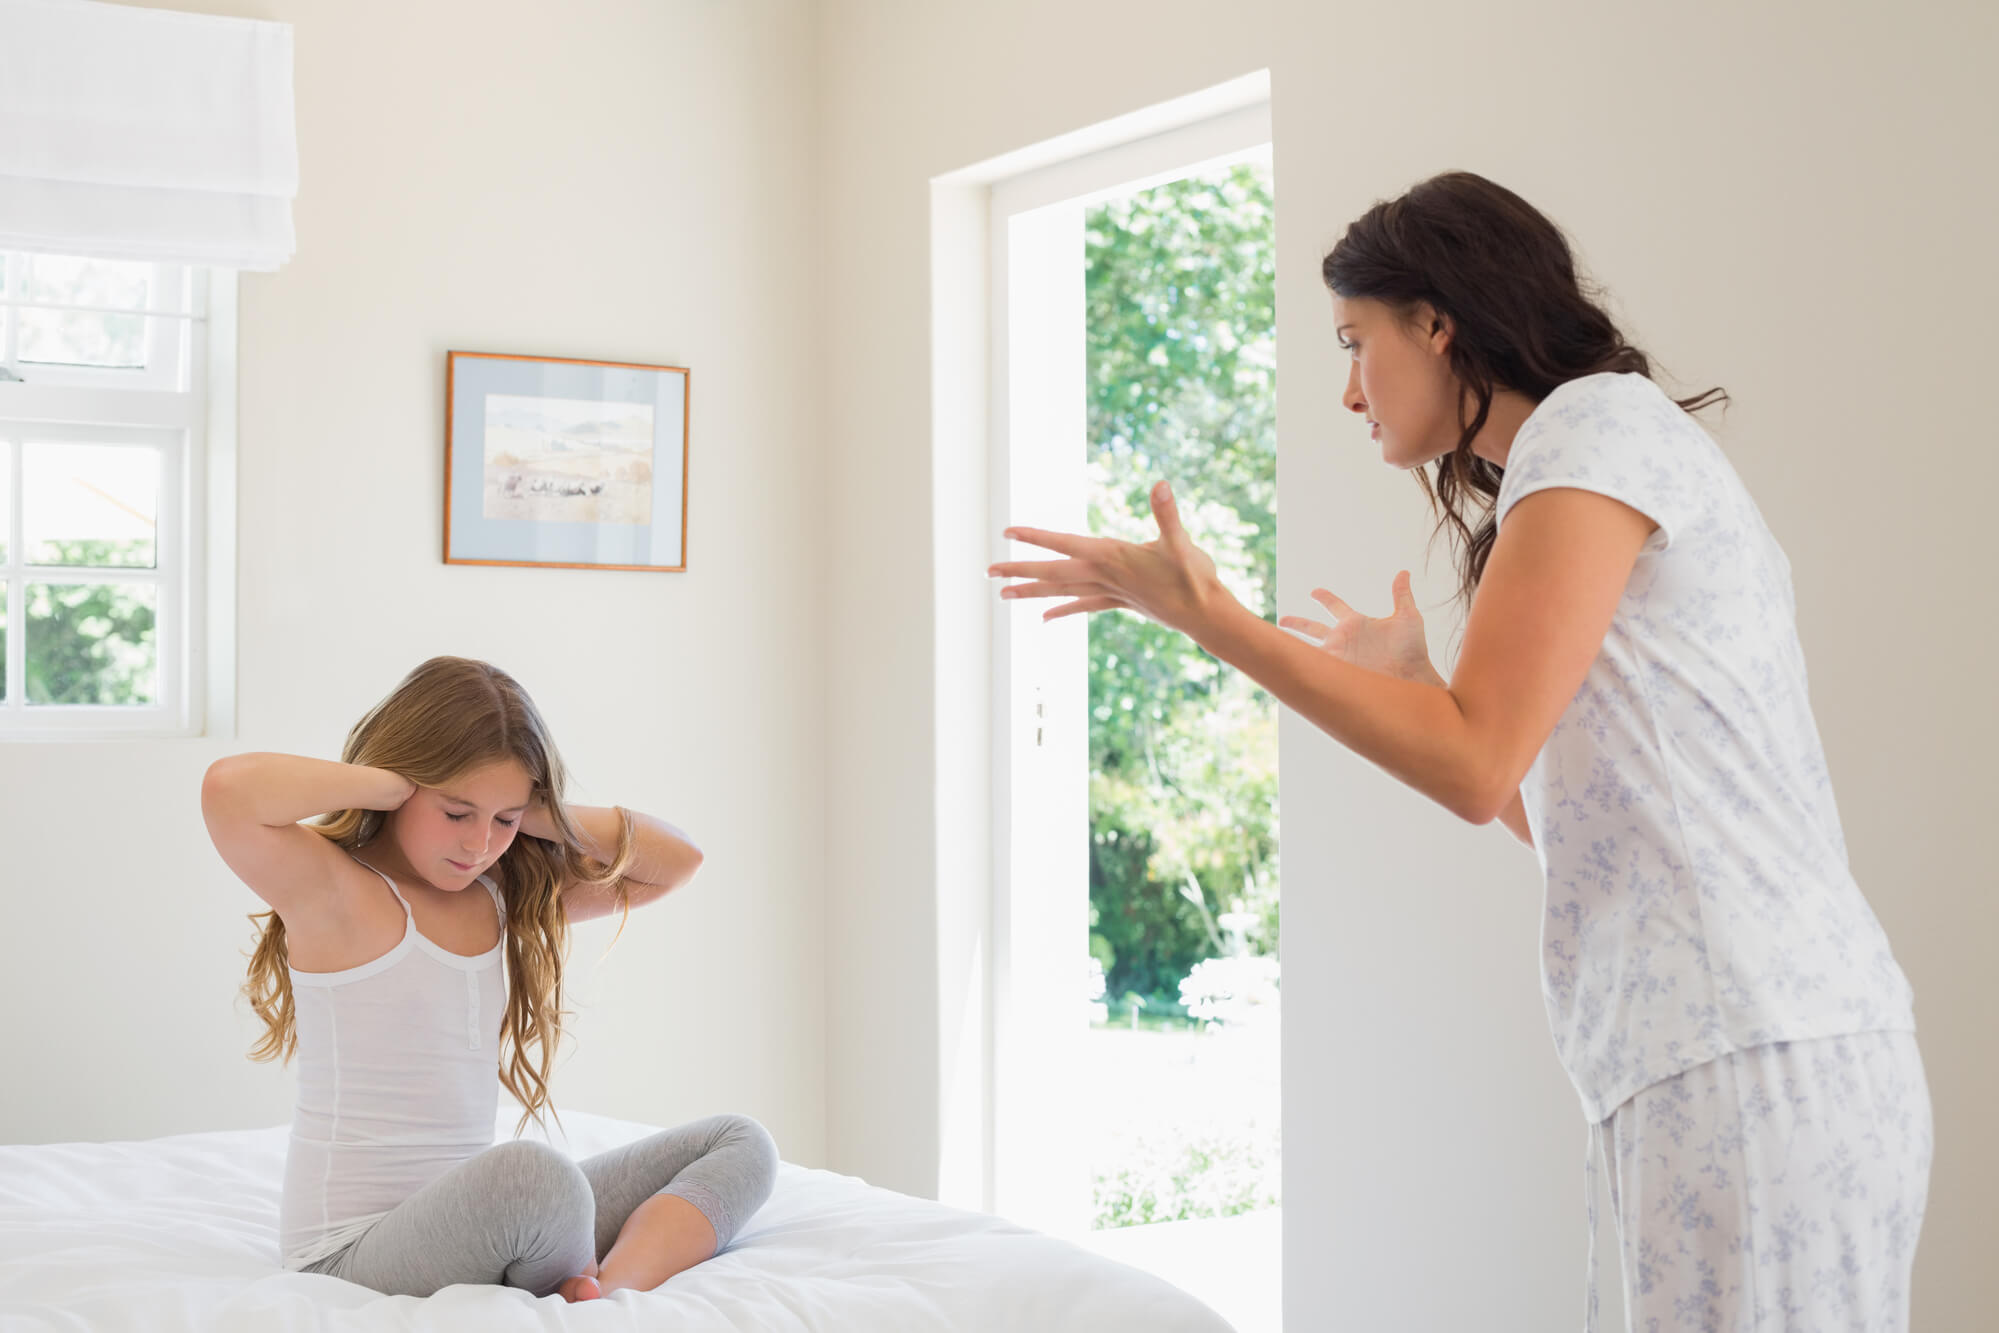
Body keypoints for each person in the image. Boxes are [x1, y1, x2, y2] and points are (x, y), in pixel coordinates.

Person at [989, 171, 1928, 1331]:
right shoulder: (1604, 443)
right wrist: (1424, 690)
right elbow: (1560, 809)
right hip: (1751, 1041)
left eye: (1354, 342)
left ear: (1436, 322)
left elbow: (1472, 766)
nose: (1346, 391)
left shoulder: (1592, 434)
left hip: (1749, 1038)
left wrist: (1207, 615)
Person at [203, 655, 776, 1303]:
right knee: (536, 1176)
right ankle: (570, 1272)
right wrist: (394, 783)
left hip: (486, 1216)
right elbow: (229, 790)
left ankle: (607, 1290)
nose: (479, 843)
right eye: (456, 812)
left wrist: (540, 814)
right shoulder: (336, 890)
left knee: (739, 1141)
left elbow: (676, 861)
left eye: (503, 820)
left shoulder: (502, 894)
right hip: (352, 1249)